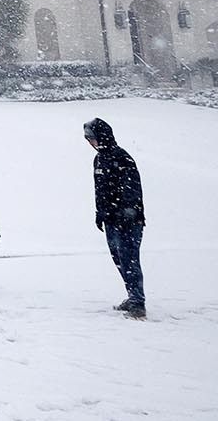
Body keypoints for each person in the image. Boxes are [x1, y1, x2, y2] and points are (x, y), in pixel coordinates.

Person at [84, 117, 146, 319]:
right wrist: (100, 212)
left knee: (129, 260)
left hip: (128, 220)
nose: (91, 143)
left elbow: (131, 188)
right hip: (110, 219)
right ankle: (132, 295)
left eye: (92, 138)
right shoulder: (99, 159)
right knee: (119, 259)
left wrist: (127, 211)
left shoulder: (121, 157)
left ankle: (138, 302)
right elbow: (100, 190)